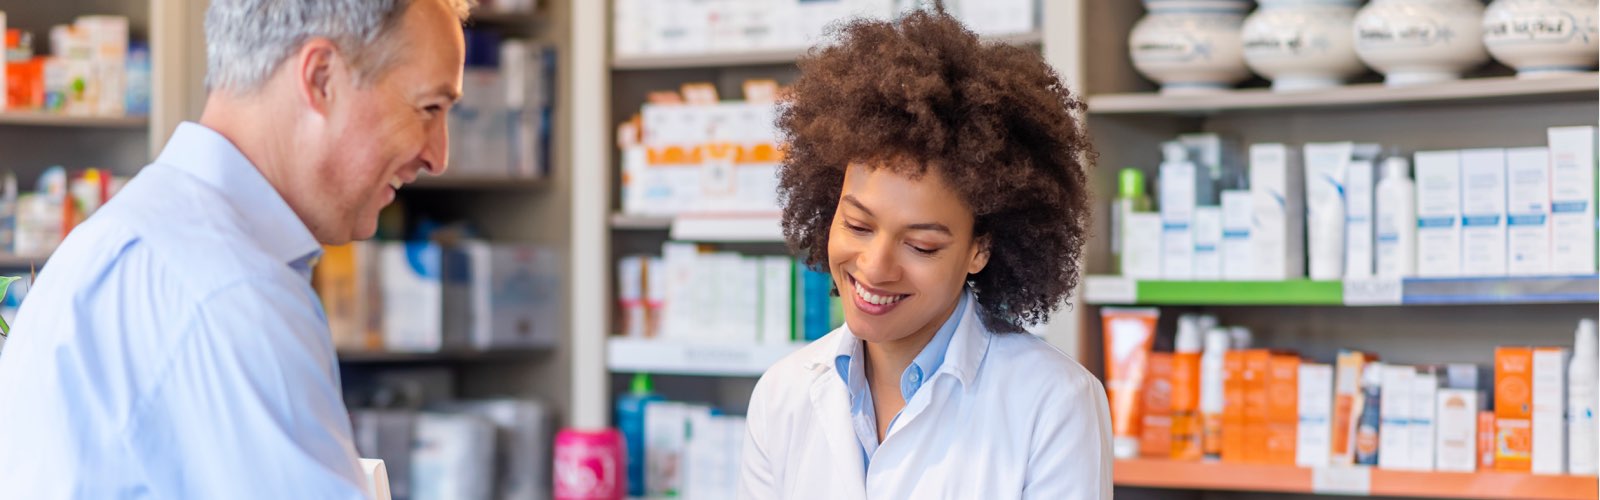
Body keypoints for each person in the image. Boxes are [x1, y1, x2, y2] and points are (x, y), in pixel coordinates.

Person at [0, 0, 470, 497]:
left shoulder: (112, 238)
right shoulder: (232, 290)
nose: (438, 156)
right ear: (321, 78)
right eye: (429, 109)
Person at [738, 8, 1112, 499]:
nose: (874, 266)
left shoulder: (1056, 403)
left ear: (981, 248)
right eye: (857, 224)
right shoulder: (782, 394)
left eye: (921, 245)